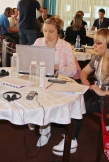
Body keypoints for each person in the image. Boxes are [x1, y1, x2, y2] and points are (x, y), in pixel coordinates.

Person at [53, 28, 109, 156]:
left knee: (81, 105)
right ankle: (71, 132)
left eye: (98, 43)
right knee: (76, 97)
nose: (94, 45)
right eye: (94, 42)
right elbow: (83, 72)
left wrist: (102, 92)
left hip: (106, 98)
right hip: (98, 94)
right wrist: (84, 80)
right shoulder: (97, 58)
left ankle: (72, 139)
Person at [32, 17, 77, 147]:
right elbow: (29, 60)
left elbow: (73, 71)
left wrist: (55, 67)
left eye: (51, 31)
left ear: (58, 32)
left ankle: (44, 129)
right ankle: (43, 129)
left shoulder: (65, 46)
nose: (47, 35)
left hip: (59, 80)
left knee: (46, 96)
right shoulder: (38, 42)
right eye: (45, 31)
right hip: (41, 78)